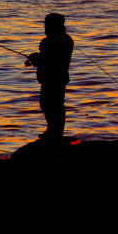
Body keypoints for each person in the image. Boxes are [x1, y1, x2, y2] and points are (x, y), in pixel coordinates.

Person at [25, 12, 74, 141]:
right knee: (58, 105)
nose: (45, 27)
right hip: (61, 78)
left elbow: (45, 60)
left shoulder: (48, 41)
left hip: (50, 79)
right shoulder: (67, 39)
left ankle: (52, 130)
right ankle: (57, 131)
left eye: (47, 24)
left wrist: (34, 58)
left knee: (46, 104)